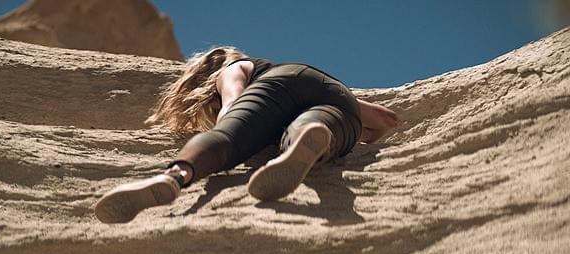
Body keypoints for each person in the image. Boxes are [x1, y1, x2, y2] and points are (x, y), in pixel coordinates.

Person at [94, 47, 399, 223]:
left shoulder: (233, 67)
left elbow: (232, 107)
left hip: (279, 83)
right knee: (319, 125)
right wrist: (357, 134)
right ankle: (308, 136)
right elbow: (385, 120)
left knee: (228, 141)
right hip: (338, 96)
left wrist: (236, 131)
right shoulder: (312, 81)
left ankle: (173, 177)